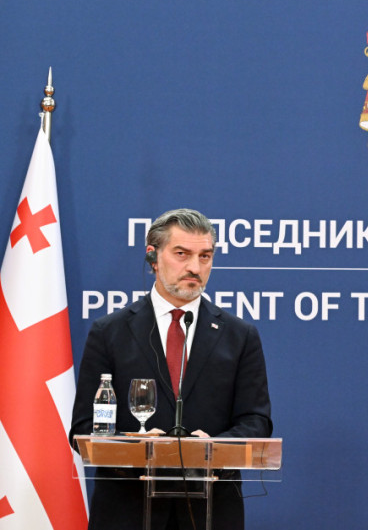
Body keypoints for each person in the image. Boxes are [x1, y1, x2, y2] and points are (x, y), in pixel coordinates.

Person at [70, 208, 273, 530]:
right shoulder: (109, 332)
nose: (195, 267)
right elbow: (85, 427)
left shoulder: (239, 335)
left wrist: (213, 448)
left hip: (210, 510)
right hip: (128, 510)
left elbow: (256, 421)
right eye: (182, 254)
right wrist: (136, 447)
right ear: (153, 257)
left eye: (205, 256)